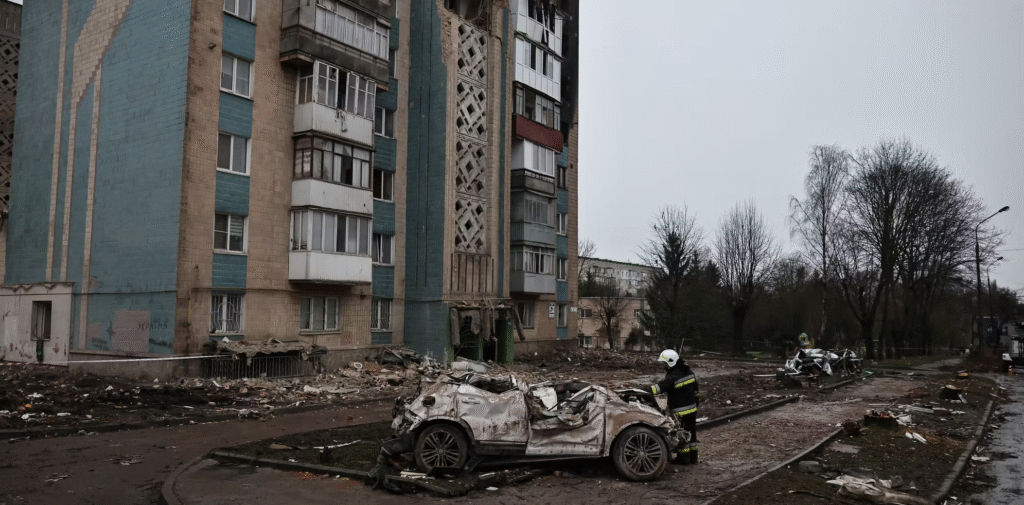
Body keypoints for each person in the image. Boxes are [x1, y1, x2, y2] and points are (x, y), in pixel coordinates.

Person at [649, 349, 700, 464]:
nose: (664, 367)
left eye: (664, 364)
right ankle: (694, 458)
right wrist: (696, 404)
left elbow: (659, 388)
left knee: (681, 434)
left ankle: (684, 459)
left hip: (680, 412)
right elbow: (696, 391)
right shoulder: (689, 372)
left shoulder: (673, 376)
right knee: (692, 433)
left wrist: (645, 390)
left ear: (670, 362)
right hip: (692, 409)